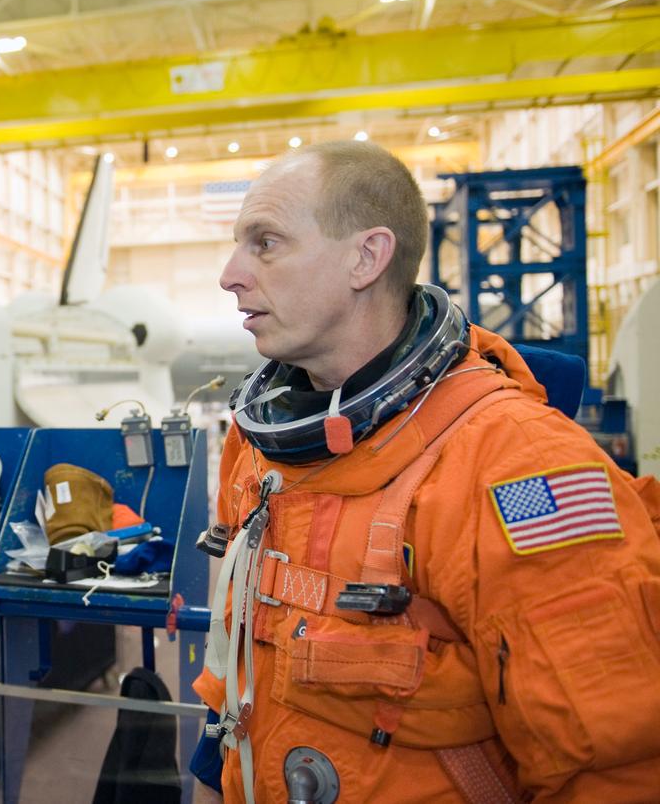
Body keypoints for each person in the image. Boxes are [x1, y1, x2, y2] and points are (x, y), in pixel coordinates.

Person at [193, 141, 660, 803]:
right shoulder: (259, 445)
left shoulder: (517, 463)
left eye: (265, 243)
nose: (231, 274)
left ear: (366, 256)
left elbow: (612, 763)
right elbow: (237, 652)